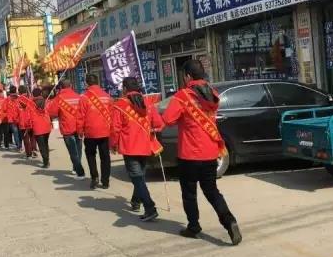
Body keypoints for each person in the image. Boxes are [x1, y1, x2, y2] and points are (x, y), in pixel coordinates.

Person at [162, 59, 242, 246]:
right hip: (210, 153)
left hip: (189, 154)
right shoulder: (212, 93)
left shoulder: (183, 96)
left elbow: (168, 119)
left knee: (189, 193)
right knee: (212, 191)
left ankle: (193, 226)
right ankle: (229, 221)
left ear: (188, 76)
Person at [111, 77, 164, 221]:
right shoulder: (148, 103)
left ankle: (150, 208)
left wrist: (113, 145)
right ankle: (136, 202)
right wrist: (152, 129)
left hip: (129, 147)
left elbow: (115, 128)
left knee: (137, 178)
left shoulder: (120, 105)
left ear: (125, 89)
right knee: (139, 176)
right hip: (145, 146)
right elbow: (159, 124)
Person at [77, 74, 113, 189]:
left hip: (90, 132)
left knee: (91, 155)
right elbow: (112, 115)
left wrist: (79, 130)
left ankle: (94, 178)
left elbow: (80, 116)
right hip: (105, 131)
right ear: (98, 82)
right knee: (105, 156)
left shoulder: (84, 97)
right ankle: (105, 181)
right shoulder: (107, 96)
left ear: (86, 83)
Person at [48, 79, 84, 179]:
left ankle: (80, 172)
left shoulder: (58, 98)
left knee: (73, 152)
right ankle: (75, 168)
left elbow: (52, 113)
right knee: (78, 149)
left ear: (61, 87)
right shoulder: (78, 96)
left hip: (67, 128)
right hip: (79, 127)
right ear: (71, 85)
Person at [31, 88, 52, 168]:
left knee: (41, 145)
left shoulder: (31, 103)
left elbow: (29, 115)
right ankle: (47, 159)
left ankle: (46, 161)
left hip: (37, 126)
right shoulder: (46, 102)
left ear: (33, 94)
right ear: (40, 93)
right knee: (45, 143)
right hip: (46, 125)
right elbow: (51, 112)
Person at [18, 85, 38, 159]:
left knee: (26, 138)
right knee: (32, 137)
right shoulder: (30, 99)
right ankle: (34, 150)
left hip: (23, 122)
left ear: (19, 92)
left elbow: (16, 112)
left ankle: (29, 154)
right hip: (31, 120)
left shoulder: (18, 100)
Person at [5, 86, 22, 150]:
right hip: (19, 117)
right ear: (16, 90)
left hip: (11, 119)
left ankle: (18, 146)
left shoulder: (7, 99)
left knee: (15, 132)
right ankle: (20, 144)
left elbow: (4, 109)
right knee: (20, 132)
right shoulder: (19, 98)